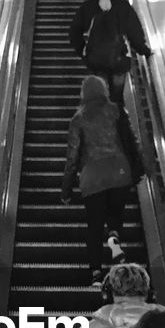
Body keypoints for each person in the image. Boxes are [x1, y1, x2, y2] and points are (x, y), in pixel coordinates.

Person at [63, 76, 140, 285]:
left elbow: (72, 156)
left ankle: (96, 273)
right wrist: (137, 166)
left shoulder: (79, 118)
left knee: (94, 225)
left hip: (93, 176)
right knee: (115, 214)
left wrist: (66, 189)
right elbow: (131, 139)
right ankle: (114, 238)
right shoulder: (117, 110)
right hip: (119, 171)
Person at [69, 0, 152, 102]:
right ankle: (118, 115)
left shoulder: (88, 6)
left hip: (95, 59)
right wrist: (144, 51)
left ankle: (103, 114)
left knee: (100, 96)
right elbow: (134, 32)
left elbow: (74, 32)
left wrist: (82, 50)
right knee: (117, 98)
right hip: (120, 59)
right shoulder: (123, 6)